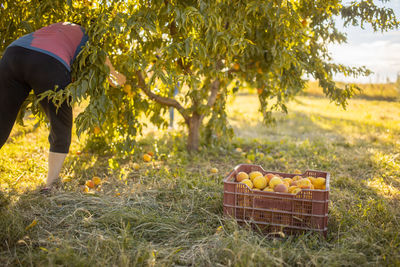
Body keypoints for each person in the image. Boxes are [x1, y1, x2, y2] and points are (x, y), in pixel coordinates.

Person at [0, 22, 126, 193]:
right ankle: (50, 186)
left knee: (2, 119)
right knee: (62, 126)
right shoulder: (89, 38)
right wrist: (121, 79)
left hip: (13, 53)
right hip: (49, 61)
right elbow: (112, 77)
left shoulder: (56, 28)